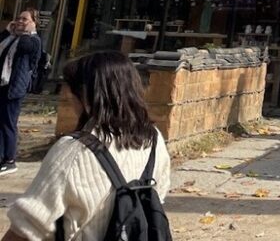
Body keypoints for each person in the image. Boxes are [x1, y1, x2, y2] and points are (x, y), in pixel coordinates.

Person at [3, 51, 171, 241]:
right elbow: (158, 195)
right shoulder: (154, 140)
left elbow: (29, 227)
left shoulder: (74, 151)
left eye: (71, 94)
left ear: (85, 96)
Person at [0, 9, 42, 174]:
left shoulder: (33, 40)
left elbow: (25, 47)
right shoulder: (12, 38)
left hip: (15, 88)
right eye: (18, 18)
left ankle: (10, 160)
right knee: (1, 123)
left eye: (25, 19)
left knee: (9, 124)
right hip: (3, 86)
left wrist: (26, 30)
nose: (20, 21)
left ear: (34, 22)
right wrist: (7, 31)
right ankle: (2, 157)